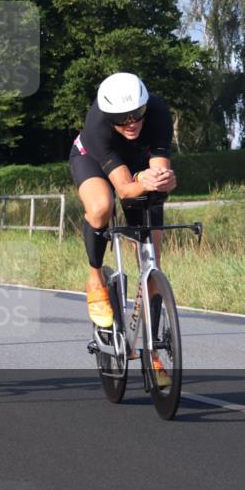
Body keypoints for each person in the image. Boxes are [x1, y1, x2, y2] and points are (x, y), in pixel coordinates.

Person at [70, 73, 176, 382]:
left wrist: (166, 181)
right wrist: (144, 181)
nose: (131, 123)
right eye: (121, 119)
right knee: (102, 207)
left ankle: (153, 352)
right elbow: (125, 188)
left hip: (137, 166)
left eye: (137, 115)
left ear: (146, 106)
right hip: (92, 161)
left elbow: (158, 176)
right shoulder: (98, 126)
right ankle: (95, 280)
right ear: (109, 116)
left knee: (152, 259)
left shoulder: (158, 112)